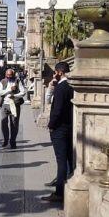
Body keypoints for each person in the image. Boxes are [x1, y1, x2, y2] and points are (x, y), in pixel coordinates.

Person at [42, 62, 74, 203]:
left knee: (61, 160)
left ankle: (59, 192)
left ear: (59, 72)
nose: (54, 74)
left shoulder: (61, 88)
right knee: (68, 158)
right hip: (69, 126)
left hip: (60, 128)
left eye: (55, 72)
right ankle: (64, 183)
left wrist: (51, 125)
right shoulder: (71, 86)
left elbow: (57, 110)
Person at [0, 69, 26, 149]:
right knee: (4, 123)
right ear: (5, 74)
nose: (9, 76)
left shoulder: (17, 81)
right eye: (7, 75)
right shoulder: (3, 81)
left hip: (15, 104)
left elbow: (23, 92)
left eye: (10, 75)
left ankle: (13, 141)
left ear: (13, 75)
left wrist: (15, 96)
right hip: (5, 104)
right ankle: (5, 139)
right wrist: (9, 90)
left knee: (14, 124)